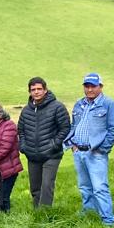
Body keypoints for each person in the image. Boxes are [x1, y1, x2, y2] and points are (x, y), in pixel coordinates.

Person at [63, 73, 114, 227]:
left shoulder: (110, 104)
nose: (89, 89)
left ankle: (108, 220)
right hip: (78, 151)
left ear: (100, 87)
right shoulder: (79, 104)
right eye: (87, 86)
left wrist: (102, 149)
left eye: (93, 86)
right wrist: (72, 144)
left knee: (100, 188)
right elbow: (74, 125)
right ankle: (89, 213)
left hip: (95, 153)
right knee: (84, 187)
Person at [17, 77, 71, 208]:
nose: (36, 92)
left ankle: (45, 213)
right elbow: (21, 130)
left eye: (39, 89)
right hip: (32, 154)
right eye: (33, 89)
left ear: (45, 90)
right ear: (29, 92)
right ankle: (37, 213)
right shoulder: (26, 110)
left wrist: (54, 144)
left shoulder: (57, 107)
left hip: (51, 154)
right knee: (35, 187)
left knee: (47, 185)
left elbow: (65, 128)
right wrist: (23, 147)